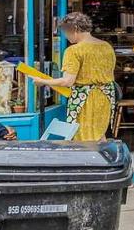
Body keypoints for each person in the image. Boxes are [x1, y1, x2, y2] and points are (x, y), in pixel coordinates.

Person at [36, 12, 119, 141]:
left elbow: (68, 81)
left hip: (84, 100)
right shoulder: (107, 47)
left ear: (74, 29)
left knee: (83, 138)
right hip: (105, 97)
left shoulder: (74, 51)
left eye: (66, 32)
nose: (66, 36)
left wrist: (43, 81)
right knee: (99, 135)